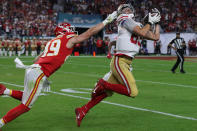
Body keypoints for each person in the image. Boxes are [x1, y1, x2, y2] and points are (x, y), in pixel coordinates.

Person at [0, 11, 117, 129]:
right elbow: (88, 33)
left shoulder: (52, 41)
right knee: (26, 106)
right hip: (39, 73)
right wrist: (106, 21)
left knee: (26, 96)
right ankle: (1, 122)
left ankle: (4, 91)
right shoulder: (67, 39)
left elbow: (37, 58)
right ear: (65, 31)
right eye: (69, 29)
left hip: (33, 70)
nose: (72, 32)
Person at [75, 4, 161, 127]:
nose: (128, 9)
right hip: (120, 61)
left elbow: (155, 37)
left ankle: (82, 110)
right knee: (132, 92)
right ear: (121, 13)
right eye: (124, 8)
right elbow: (141, 32)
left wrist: (156, 22)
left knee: (104, 93)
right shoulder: (124, 19)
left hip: (125, 63)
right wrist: (149, 22)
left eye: (129, 8)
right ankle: (103, 83)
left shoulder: (136, 24)